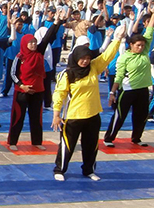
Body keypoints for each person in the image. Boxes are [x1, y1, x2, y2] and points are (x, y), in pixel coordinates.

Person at [52, 24, 126, 182]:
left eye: (87, 58)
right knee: (67, 145)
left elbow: (107, 56)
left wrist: (117, 39)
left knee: (91, 145)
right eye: (82, 58)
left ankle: (88, 170)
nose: (85, 61)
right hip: (73, 116)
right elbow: (59, 94)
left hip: (93, 114)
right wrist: (56, 114)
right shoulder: (67, 74)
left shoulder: (93, 67)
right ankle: (60, 169)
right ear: (76, 57)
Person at [7, 10, 65, 150]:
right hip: (22, 91)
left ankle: (37, 141)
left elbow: (47, 37)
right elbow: (13, 74)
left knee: (36, 117)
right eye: (30, 43)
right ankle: (13, 142)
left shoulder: (39, 52)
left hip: (38, 90)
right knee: (18, 117)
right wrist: (23, 86)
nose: (33, 45)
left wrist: (57, 22)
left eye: (34, 42)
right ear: (25, 44)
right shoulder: (20, 57)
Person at [104, 8, 154, 147]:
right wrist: (112, 93)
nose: (141, 47)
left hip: (143, 89)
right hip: (127, 90)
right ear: (131, 45)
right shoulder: (124, 58)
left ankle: (136, 138)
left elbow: (149, 31)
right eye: (138, 45)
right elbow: (118, 77)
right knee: (120, 116)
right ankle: (109, 138)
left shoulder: (144, 53)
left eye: (143, 45)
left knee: (141, 116)